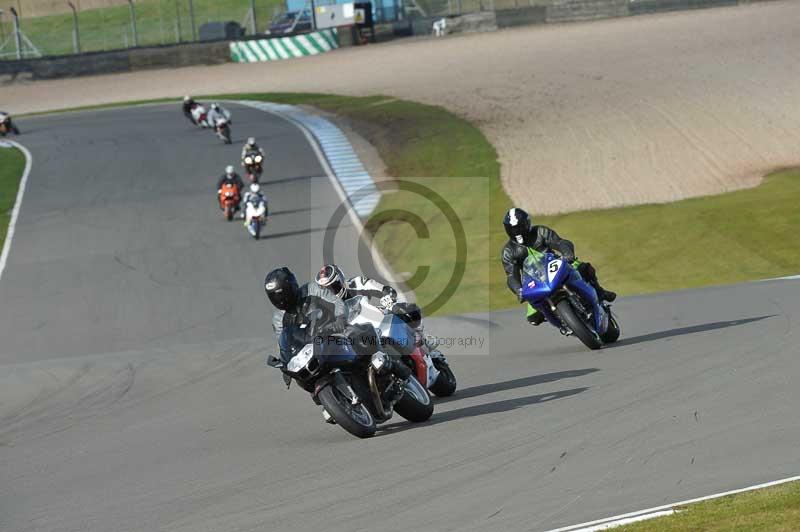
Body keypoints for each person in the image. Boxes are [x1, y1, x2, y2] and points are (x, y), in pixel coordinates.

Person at [501, 207, 616, 326]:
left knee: (584, 268)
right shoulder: (508, 251)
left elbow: (560, 242)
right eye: (513, 229)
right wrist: (518, 290)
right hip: (535, 281)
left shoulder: (540, 231)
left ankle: (600, 292)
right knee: (533, 318)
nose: (517, 232)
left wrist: (567, 254)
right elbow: (511, 275)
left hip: (556, 265)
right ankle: (563, 322)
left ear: (527, 223)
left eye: (519, 227)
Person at [315, 264, 445, 361]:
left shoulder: (356, 283)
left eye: (334, 286)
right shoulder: (328, 308)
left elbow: (382, 288)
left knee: (405, 309)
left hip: (380, 319)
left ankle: (423, 336)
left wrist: (387, 296)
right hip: (361, 337)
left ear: (341, 279)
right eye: (328, 290)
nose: (333, 291)